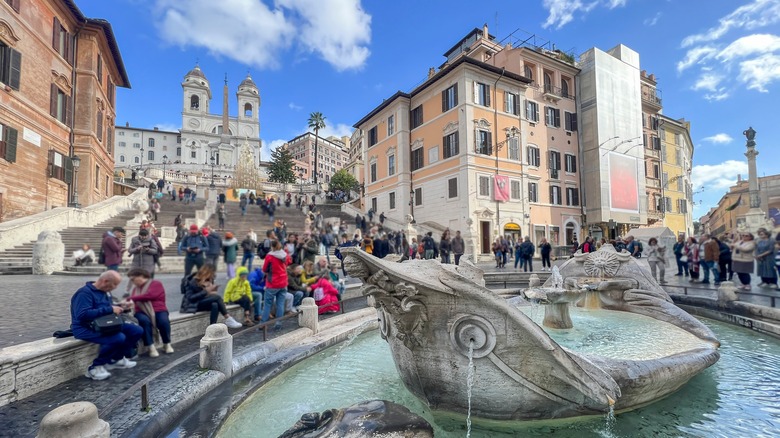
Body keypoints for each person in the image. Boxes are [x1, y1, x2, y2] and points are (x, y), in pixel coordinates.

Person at [71, 271, 143, 380]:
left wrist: (120, 306)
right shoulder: (84, 293)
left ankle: (115, 359)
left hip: (105, 324)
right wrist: (110, 309)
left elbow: (106, 307)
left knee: (136, 330)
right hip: (85, 328)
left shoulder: (105, 291)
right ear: (105, 281)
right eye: (115, 284)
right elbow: (82, 315)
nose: (115, 287)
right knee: (118, 337)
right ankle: (94, 368)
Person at [126, 268, 173, 358]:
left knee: (163, 321)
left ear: (140, 276)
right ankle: (151, 346)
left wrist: (132, 298)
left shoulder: (156, 284)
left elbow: (151, 295)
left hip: (159, 309)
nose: (132, 281)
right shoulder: (136, 289)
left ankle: (167, 343)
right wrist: (129, 303)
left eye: (133, 279)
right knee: (143, 321)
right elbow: (135, 302)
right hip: (141, 311)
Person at [180, 264, 242, 328]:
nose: (213, 276)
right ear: (206, 273)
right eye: (212, 274)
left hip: (200, 303)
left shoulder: (208, 280)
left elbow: (205, 295)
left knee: (215, 304)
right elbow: (190, 298)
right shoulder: (192, 281)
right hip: (190, 305)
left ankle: (212, 327)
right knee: (217, 298)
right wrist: (206, 291)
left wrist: (211, 292)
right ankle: (228, 318)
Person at [262, 240, 292, 329]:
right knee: (280, 304)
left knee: (267, 304)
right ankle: (278, 323)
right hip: (283, 282)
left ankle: (263, 324)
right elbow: (289, 262)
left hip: (272, 283)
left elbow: (264, 269)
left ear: (272, 246)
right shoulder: (284, 254)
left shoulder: (270, 256)